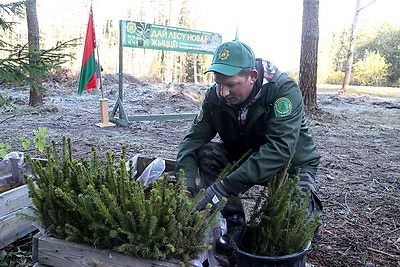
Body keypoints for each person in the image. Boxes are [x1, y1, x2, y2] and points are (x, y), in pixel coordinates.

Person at [175, 40, 322, 264]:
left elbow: (280, 149)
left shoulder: (282, 91)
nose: (223, 92)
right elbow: (192, 141)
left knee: (289, 228)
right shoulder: (215, 96)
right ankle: (232, 229)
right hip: (243, 157)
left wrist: (225, 186)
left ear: (252, 76)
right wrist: (185, 188)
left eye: (231, 85)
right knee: (206, 153)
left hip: (289, 166)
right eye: (218, 83)